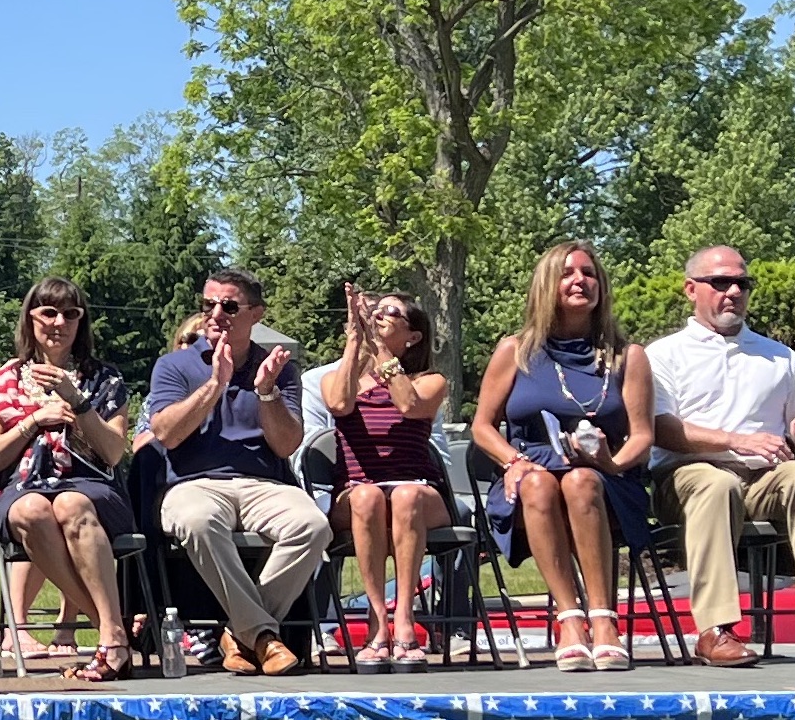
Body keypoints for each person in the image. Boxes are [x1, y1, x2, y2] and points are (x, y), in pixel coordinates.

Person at [648, 246, 795, 668]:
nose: (733, 292)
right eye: (720, 282)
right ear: (691, 289)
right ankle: (715, 629)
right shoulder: (664, 355)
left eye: (742, 283)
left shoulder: (778, 356)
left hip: (762, 479)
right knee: (717, 484)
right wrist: (735, 441)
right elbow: (660, 428)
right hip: (687, 476)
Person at [471, 242, 653, 673]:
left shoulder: (628, 356)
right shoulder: (515, 351)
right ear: (546, 285)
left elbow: (643, 435)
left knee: (580, 481)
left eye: (589, 273)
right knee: (538, 484)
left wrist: (612, 463)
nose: (579, 281)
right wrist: (513, 461)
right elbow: (482, 427)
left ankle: (603, 620)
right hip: (529, 472)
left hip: (605, 476)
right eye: (567, 273)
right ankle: (570, 619)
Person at [144, 268, 330, 676]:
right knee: (198, 521)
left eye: (228, 306)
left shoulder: (279, 368)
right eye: (208, 304)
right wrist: (215, 384)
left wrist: (267, 391)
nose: (215, 314)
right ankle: (261, 636)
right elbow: (166, 434)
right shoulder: (174, 365)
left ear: (256, 314)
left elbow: (286, 445)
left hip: (263, 484)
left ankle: (241, 633)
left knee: (313, 525)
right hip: (193, 484)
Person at [0, 277, 136, 683]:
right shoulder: (4, 380)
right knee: (31, 509)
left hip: (91, 488)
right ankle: (113, 632)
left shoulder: (104, 380)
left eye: (70, 314)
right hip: (24, 488)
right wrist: (33, 422)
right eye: (48, 312)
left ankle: (109, 635)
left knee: (69, 503)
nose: (59, 322)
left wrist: (76, 401)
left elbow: (113, 452)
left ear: (81, 322)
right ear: (30, 319)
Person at [317, 285, 452, 671]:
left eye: (391, 312)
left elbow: (409, 405)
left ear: (413, 336)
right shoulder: (341, 378)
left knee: (406, 495)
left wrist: (380, 350)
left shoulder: (430, 380)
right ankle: (377, 620)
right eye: (376, 310)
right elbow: (338, 403)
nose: (380, 315)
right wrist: (354, 340)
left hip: (417, 489)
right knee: (367, 496)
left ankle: (405, 617)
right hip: (358, 490)